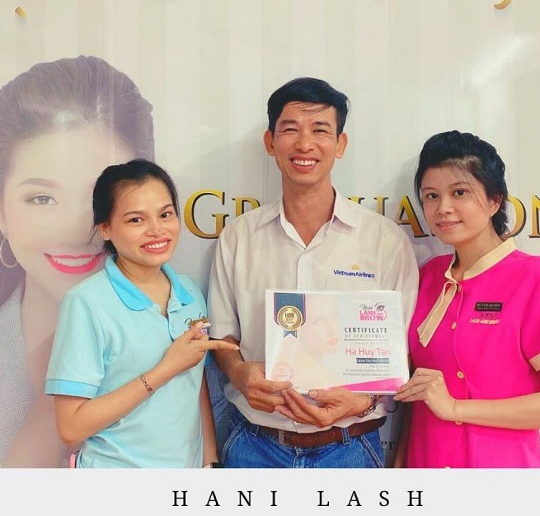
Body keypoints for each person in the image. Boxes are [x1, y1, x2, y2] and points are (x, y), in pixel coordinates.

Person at [208, 76, 418, 468]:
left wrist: (365, 399)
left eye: (320, 130)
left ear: (340, 144)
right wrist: (238, 373)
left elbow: (400, 351)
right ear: (271, 142)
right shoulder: (239, 237)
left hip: (350, 447)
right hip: (256, 446)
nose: (305, 144)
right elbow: (223, 336)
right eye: (290, 129)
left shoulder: (384, 241)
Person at [393, 130, 540, 468]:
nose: (443, 208)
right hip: (425, 468)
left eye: (459, 193)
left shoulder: (537, 279)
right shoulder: (427, 277)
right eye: (431, 196)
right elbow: (417, 393)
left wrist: (455, 408)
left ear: (494, 200)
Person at [0, 56, 155, 467]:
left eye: (98, 196)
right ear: (1, 211)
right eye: (41, 198)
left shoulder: (177, 329)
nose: (74, 231)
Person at [45, 159, 239, 467]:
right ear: (105, 228)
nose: (157, 230)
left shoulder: (189, 293)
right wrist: (165, 369)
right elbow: (71, 427)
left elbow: (195, 383)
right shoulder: (86, 303)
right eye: (136, 220)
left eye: (165, 214)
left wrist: (210, 461)